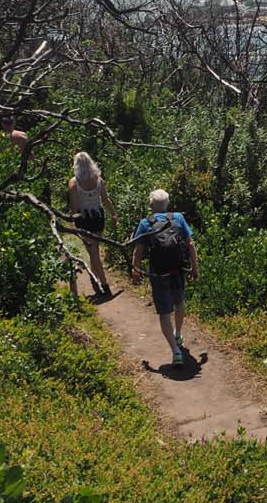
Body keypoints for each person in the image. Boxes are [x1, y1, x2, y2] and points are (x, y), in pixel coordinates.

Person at [130, 189, 199, 367]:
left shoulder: (145, 223)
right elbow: (190, 244)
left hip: (158, 273)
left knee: (164, 312)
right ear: (168, 203)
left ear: (151, 205)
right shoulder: (178, 218)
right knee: (179, 302)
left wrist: (135, 270)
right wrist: (194, 268)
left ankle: (175, 351)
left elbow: (138, 251)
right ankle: (178, 334)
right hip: (177, 269)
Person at [68, 151, 118, 297]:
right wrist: (114, 214)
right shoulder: (98, 179)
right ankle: (94, 279)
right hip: (98, 216)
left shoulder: (73, 182)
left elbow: (75, 206)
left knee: (93, 252)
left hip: (85, 219)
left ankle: (104, 284)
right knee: (94, 250)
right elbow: (106, 199)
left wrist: (74, 221)